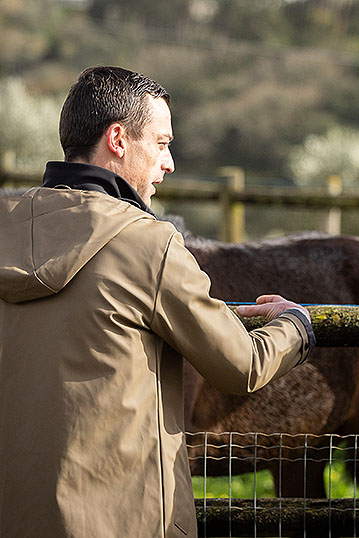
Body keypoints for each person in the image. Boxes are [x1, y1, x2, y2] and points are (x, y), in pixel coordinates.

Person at [0, 66, 315, 538]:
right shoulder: (149, 245)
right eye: (162, 143)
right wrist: (296, 325)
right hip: (123, 521)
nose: (169, 164)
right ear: (118, 140)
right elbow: (241, 365)